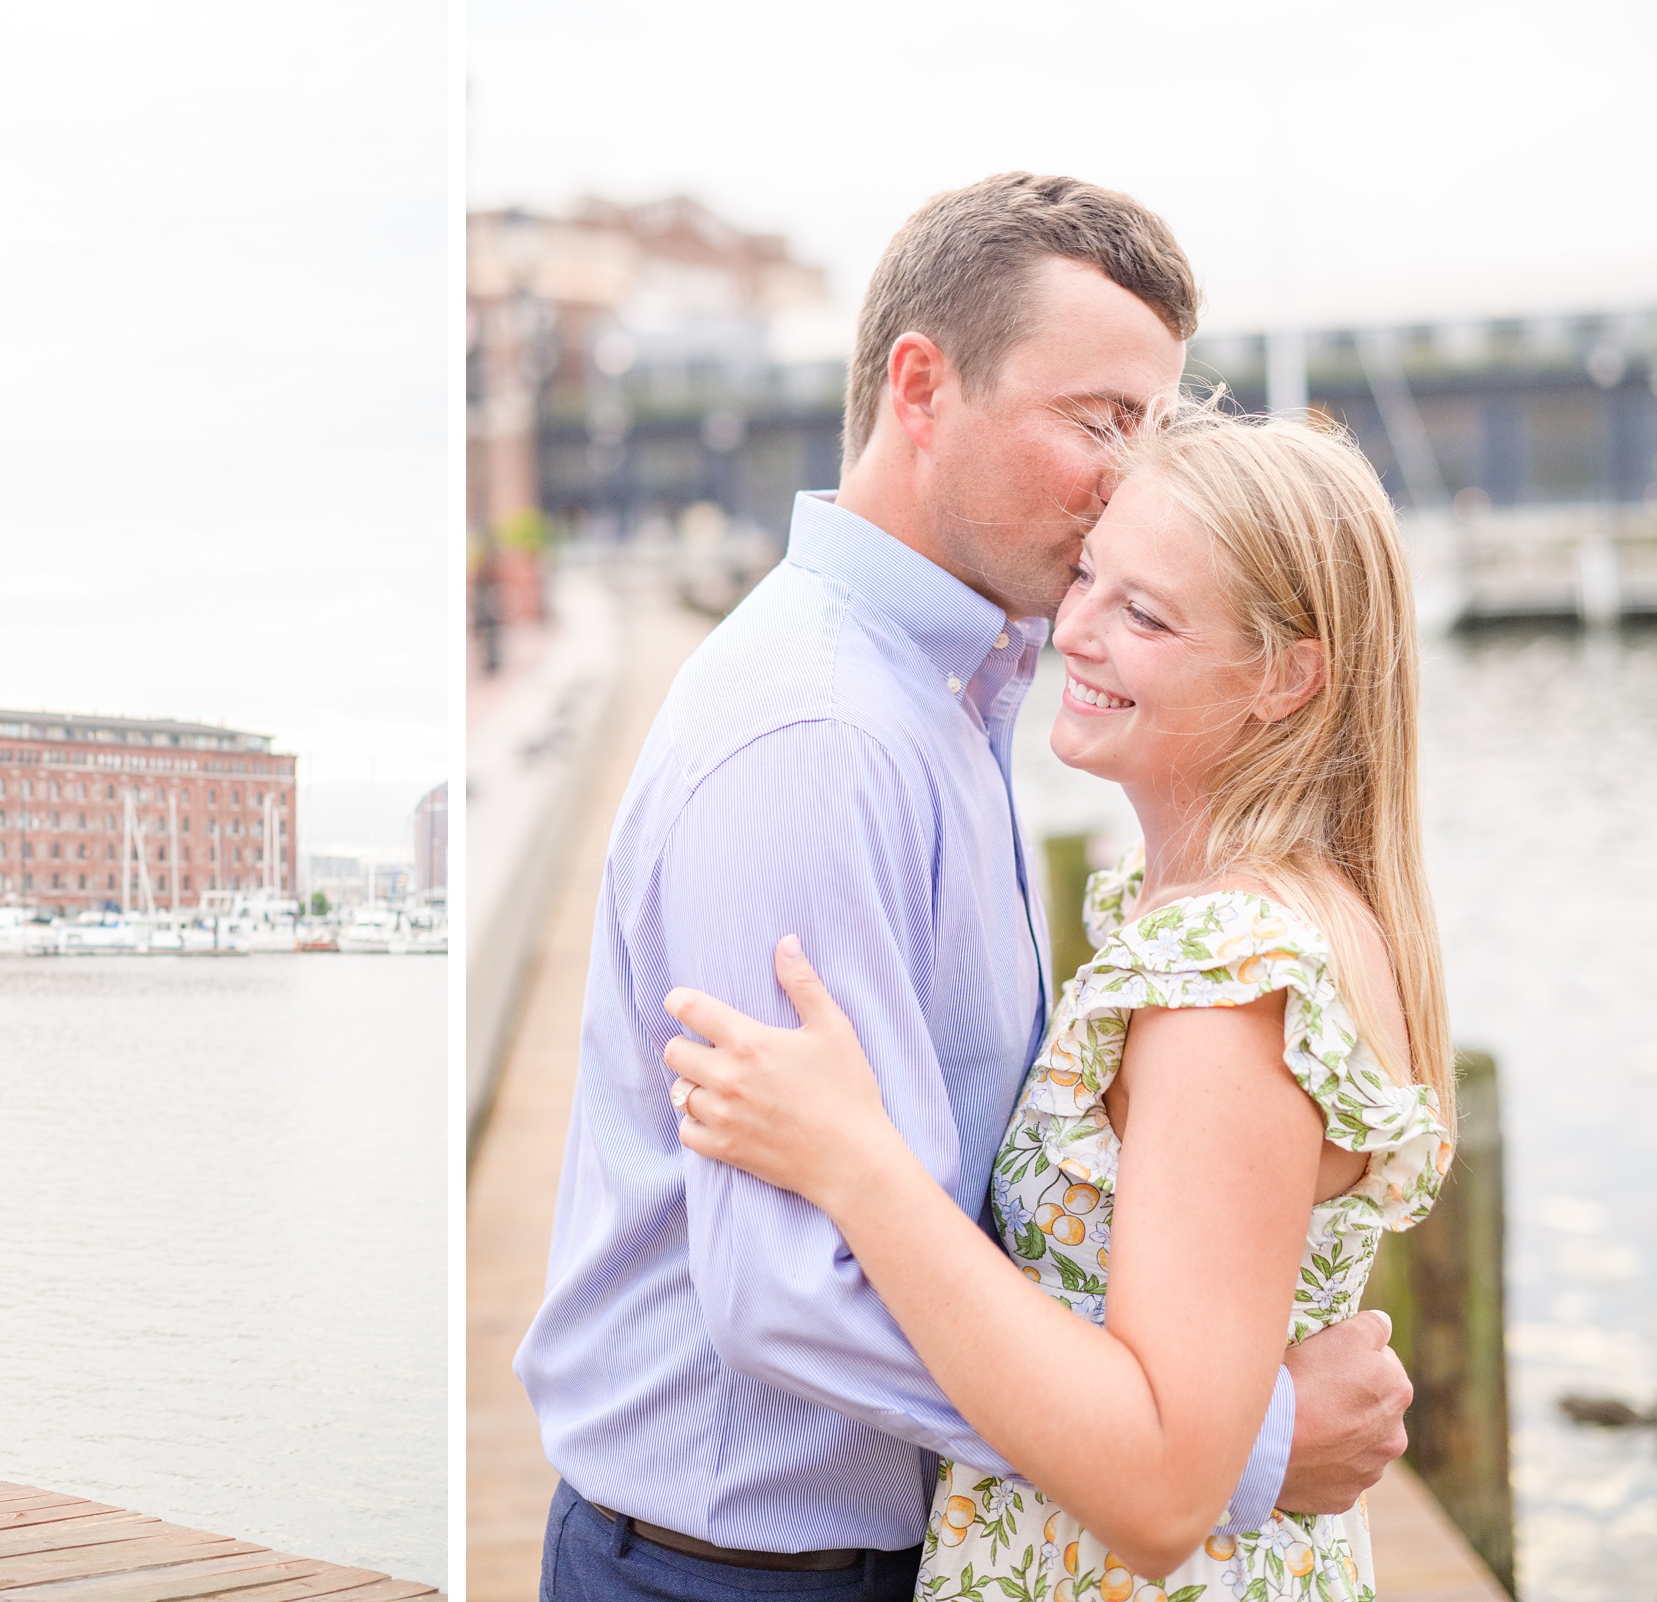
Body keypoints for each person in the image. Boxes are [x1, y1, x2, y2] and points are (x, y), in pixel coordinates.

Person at [515, 174, 1415, 1602]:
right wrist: (1234, 1446)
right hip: (749, 1569)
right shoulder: (818, 732)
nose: (1133, 481)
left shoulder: (950, 689)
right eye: (1099, 420)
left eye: (1154, 426)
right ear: (923, 388)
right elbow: (792, 1291)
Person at [663, 406, 1450, 1595]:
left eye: (1145, 614)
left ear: (1287, 676)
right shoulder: (1229, 918)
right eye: (1089, 576)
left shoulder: (1224, 979)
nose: (1071, 629)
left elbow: (1160, 1484)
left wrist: (854, 1159)